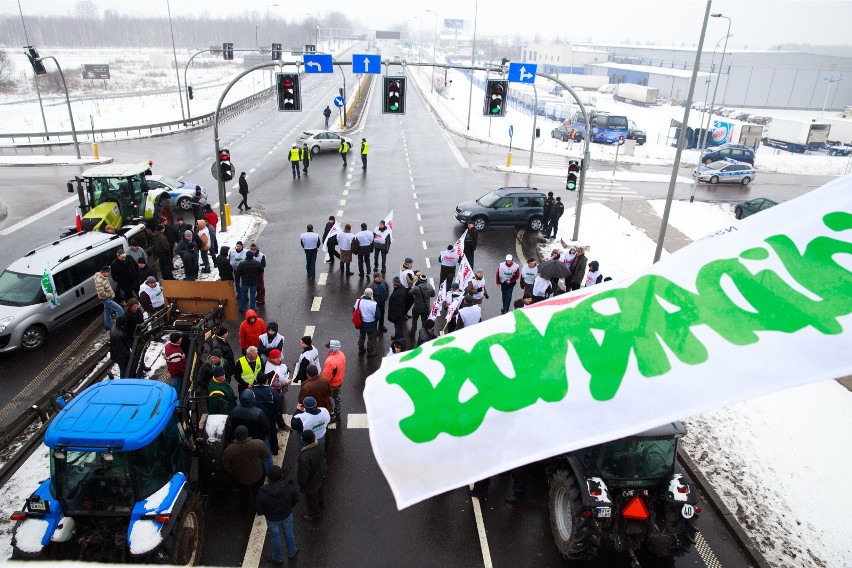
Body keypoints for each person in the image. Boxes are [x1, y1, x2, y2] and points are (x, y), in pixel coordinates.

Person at [255, 465, 300, 563]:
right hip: (286, 515)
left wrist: (265, 513)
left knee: (276, 538)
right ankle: (292, 551)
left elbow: (259, 509)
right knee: (289, 533)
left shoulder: (263, 491)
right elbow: (296, 498)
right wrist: (289, 507)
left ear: (269, 478)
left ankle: (278, 558)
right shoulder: (290, 486)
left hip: (272, 519)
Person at [223, 425, 269, 515]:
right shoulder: (259, 443)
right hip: (257, 474)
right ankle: (259, 509)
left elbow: (226, 466)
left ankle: (243, 511)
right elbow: (266, 456)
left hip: (241, 478)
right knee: (258, 492)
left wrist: (233, 472)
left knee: (243, 495)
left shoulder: (229, 450)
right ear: (247, 434)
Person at [297, 429, 325, 522]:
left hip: (311, 481)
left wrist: (301, 482)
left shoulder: (304, 456)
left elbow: (303, 473)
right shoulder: (320, 445)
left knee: (312, 498)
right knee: (319, 491)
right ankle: (321, 505)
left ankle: (315, 514)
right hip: (319, 473)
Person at [321, 340, 346, 422]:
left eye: (329, 347)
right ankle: (337, 413)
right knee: (337, 397)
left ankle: (331, 416)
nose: (328, 348)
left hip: (331, 384)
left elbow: (326, 377)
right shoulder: (341, 355)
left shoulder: (330, 361)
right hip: (339, 382)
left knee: (329, 400)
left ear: (332, 348)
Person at [95, 266, 124, 331]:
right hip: (106, 299)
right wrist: (109, 295)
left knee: (107, 311)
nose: (109, 274)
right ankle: (120, 325)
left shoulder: (103, 277)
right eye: (108, 272)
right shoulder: (99, 280)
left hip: (107, 298)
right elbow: (101, 293)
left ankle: (108, 326)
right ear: (104, 272)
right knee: (119, 309)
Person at [354, 288, 378, 356]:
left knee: (362, 336)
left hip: (361, 323)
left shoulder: (358, 301)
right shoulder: (374, 304)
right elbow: (378, 315)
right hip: (370, 323)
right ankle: (370, 352)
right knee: (371, 338)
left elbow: (354, 310)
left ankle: (361, 350)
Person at [387, 276, 408, 341]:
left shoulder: (397, 294)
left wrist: (392, 316)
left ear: (395, 284)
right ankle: (398, 336)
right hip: (401, 312)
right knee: (399, 326)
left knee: (398, 327)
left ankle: (399, 340)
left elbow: (395, 306)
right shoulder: (403, 288)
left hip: (397, 314)